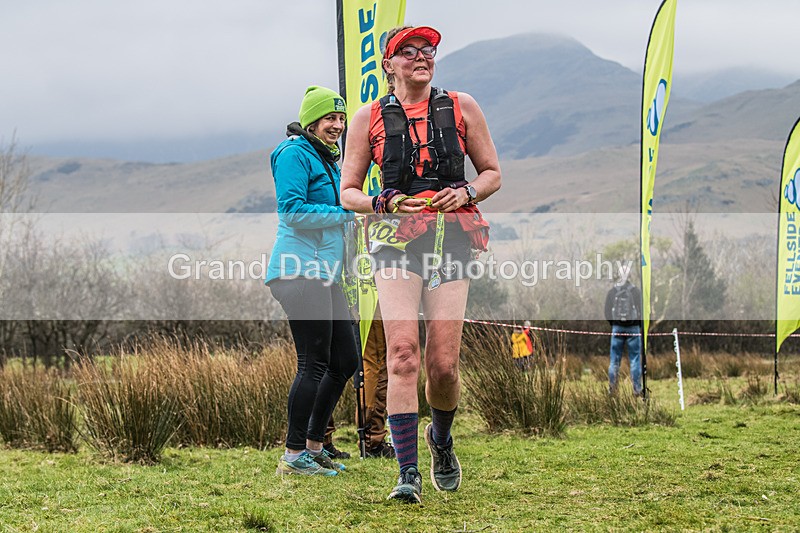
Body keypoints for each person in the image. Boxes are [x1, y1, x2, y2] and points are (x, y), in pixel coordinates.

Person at [341, 25, 501, 503]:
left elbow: (492, 173)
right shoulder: (368, 118)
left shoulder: (462, 106)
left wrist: (466, 192)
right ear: (388, 65)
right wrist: (383, 201)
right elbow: (347, 193)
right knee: (402, 354)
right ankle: (407, 473)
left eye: (426, 50)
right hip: (394, 240)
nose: (420, 57)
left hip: (451, 237)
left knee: (444, 366)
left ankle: (441, 440)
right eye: (407, 51)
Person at [267, 85, 359, 476]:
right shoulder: (294, 153)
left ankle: (314, 446)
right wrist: (345, 213)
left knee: (345, 361)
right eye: (329, 118)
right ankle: (293, 457)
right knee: (313, 364)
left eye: (341, 118)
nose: (337, 125)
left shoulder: (327, 159)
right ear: (311, 121)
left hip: (325, 272)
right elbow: (292, 211)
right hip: (299, 269)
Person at [604, 271, 643, 396]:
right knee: (635, 359)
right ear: (629, 276)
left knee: (614, 361)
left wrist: (614, 323)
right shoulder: (636, 292)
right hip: (633, 328)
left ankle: (612, 390)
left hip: (617, 328)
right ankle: (637, 390)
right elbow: (642, 310)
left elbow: (607, 312)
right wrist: (638, 324)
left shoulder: (612, 292)